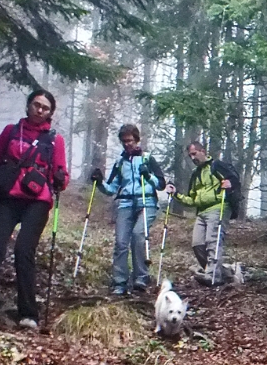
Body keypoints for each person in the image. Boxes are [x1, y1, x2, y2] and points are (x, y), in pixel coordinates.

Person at [0, 88, 69, 332]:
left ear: (50, 113)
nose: (40, 110)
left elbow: (62, 174)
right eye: (36, 105)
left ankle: (29, 315)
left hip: (38, 201)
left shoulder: (55, 139)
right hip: (8, 198)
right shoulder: (11, 131)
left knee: (23, 251)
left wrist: (60, 179)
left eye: (45, 108)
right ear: (28, 106)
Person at [91, 124, 172, 295]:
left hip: (147, 202)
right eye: (124, 141)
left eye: (130, 140)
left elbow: (161, 185)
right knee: (121, 242)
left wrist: (147, 176)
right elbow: (112, 188)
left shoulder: (147, 159)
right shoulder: (120, 162)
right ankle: (119, 282)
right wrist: (99, 183)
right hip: (126, 203)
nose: (127, 144)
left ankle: (140, 278)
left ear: (137, 140)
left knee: (138, 235)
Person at [173, 142, 232, 286]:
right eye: (190, 155)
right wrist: (176, 195)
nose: (193, 158)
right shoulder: (195, 174)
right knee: (197, 243)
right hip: (202, 211)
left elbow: (233, 181)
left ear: (203, 151)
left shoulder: (217, 166)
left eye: (194, 154)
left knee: (212, 241)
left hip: (218, 206)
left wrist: (229, 185)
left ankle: (213, 277)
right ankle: (219, 272)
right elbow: (192, 199)